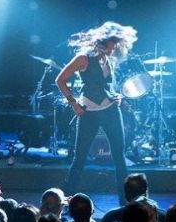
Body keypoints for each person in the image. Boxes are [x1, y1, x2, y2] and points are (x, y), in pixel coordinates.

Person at [55, 21, 138, 205]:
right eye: (112, 44)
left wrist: (116, 96)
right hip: (89, 112)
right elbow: (60, 79)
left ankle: (126, 203)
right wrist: (73, 103)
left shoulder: (108, 58)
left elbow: (106, 84)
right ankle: (65, 200)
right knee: (80, 158)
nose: (114, 48)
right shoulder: (83, 58)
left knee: (119, 156)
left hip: (110, 110)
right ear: (103, 41)